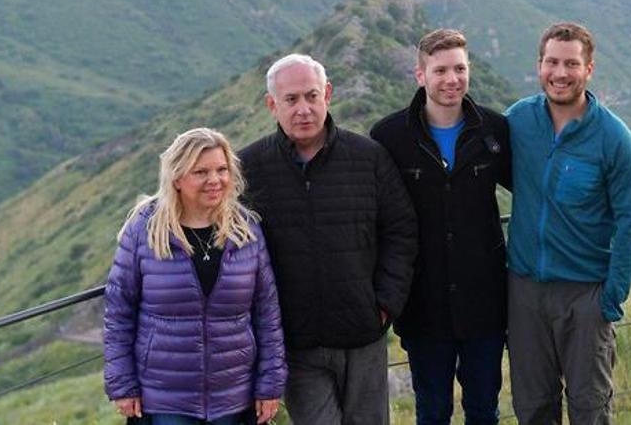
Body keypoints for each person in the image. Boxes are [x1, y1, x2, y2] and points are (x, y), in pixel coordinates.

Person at [238, 54, 418, 425]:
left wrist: (385, 303)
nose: (303, 109)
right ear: (272, 105)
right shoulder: (249, 167)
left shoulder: (368, 158)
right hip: (296, 340)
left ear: (328, 95)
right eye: (291, 100)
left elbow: (400, 230)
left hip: (364, 332)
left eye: (311, 96)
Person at [505, 22, 631, 424]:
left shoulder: (614, 138)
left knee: (590, 408)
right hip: (525, 292)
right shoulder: (518, 121)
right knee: (532, 408)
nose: (560, 73)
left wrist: (609, 299)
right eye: (552, 62)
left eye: (571, 63)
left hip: (586, 295)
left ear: (589, 70)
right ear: (539, 66)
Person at [370, 29, 511, 425]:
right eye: (441, 70)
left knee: (484, 409)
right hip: (422, 303)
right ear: (420, 75)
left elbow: (532, 193)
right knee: (432, 411)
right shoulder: (389, 136)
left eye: (460, 69)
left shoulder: (495, 131)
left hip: (485, 301)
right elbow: (377, 217)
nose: (452, 79)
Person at [103, 128, 287, 425]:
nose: (214, 180)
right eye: (201, 172)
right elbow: (118, 313)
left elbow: (267, 314)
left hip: (234, 396)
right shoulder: (145, 230)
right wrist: (122, 384)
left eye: (221, 170)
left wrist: (270, 384)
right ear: (177, 178)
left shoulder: (247, 230)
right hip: (164, 399)